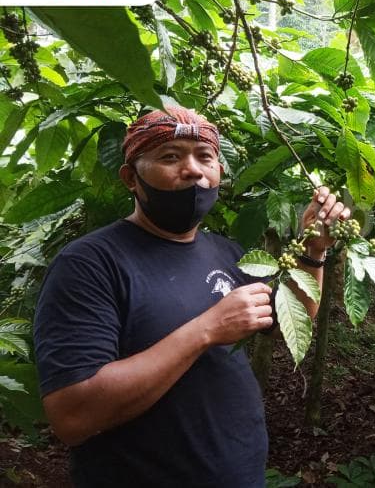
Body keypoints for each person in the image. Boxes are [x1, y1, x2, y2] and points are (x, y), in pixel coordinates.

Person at [33, 106, 350, 487]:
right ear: (131, 178)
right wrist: (207, 329)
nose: (194, 170)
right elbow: (73, 415)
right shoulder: (89, 264)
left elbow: (291, 321)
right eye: (170, 156)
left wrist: (312, 250)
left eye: (205, 157)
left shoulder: (228, 253)